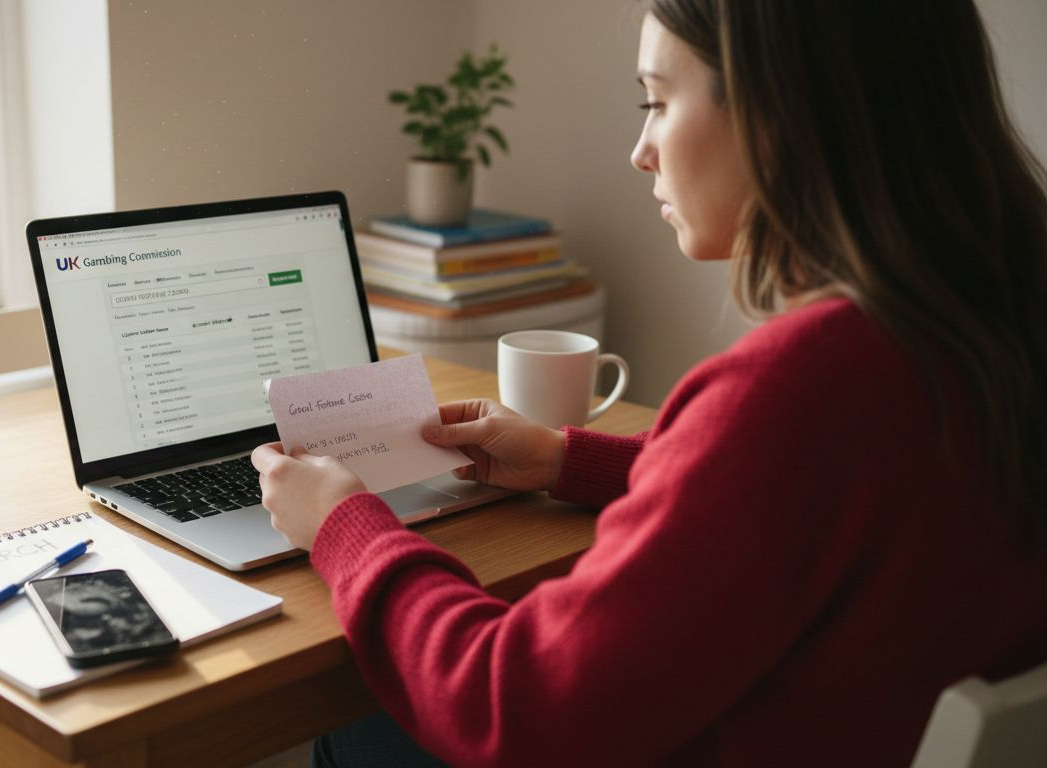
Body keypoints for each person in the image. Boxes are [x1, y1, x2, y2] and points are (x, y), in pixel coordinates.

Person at [251, 0, 1047, 764]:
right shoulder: (985, 316)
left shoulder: (803, 387)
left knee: (360, 732)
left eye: (657, 101)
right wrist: (570, 460)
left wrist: (344, 527)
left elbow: (514, 707)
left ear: (783, 111)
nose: (642, 150)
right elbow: (807, 502)